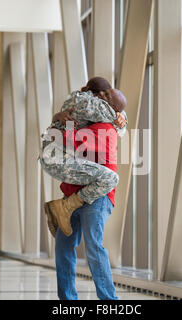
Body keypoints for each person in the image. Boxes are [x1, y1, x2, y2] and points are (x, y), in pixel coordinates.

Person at [39, 77, 127, 238]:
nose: (103, 97)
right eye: (104, 95)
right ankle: (64, 206)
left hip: (57, 155)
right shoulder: (87, 103)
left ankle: (64, 207)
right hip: (56, 156)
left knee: (66, 241)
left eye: (107, 96)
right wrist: (122, 116)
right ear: (97, 94)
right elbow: (114, 117)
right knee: (111, 178)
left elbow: (116, 120)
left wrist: (56, 117)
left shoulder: (83, 105)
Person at [55, 120, 120, 300]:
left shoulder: (104, 127)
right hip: (71, 198)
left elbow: (68, 146)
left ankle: (109, 301)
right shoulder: (81, 123)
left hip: (97, 198)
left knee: (93, 246)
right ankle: (67, 301)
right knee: (63, 247)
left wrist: (65, 124)